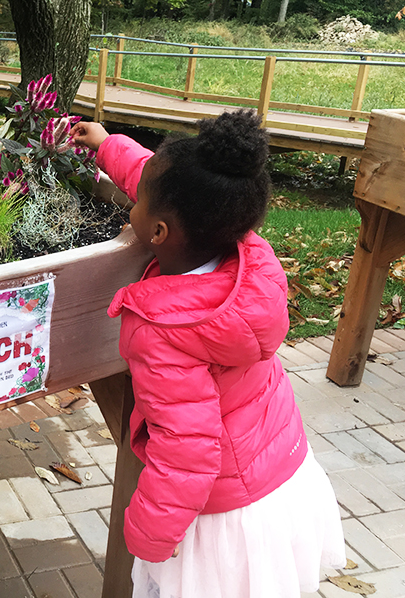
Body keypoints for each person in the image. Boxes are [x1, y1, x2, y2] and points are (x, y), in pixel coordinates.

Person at [70, 111, 346, 598]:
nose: (133, 199)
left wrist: (150, 537)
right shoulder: (241, 248)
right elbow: (154, 178)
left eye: (140, 203)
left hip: (221, 515)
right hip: (280, 468)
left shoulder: (166, 330)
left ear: (157, 233)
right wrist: (107, 143)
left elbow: (185, 451)